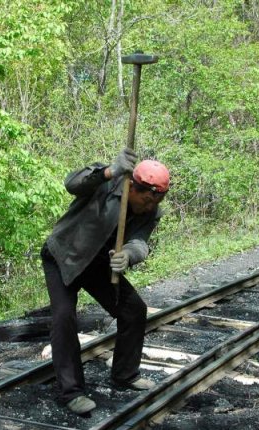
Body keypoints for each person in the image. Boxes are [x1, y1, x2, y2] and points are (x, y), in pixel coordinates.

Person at [41, 148, 170, 414]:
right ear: (133, 187)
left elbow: (140, 242)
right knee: (64, 318)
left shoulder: (151, 211)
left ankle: (125, 374)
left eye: (154, 203)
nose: (149, 206)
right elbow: (71, 183)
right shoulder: (108, 182)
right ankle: (72, 392)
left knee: (134, 310)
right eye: (146, 200)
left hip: (97, 263)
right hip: (63, 255)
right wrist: (110, 170)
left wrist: (129, 255)